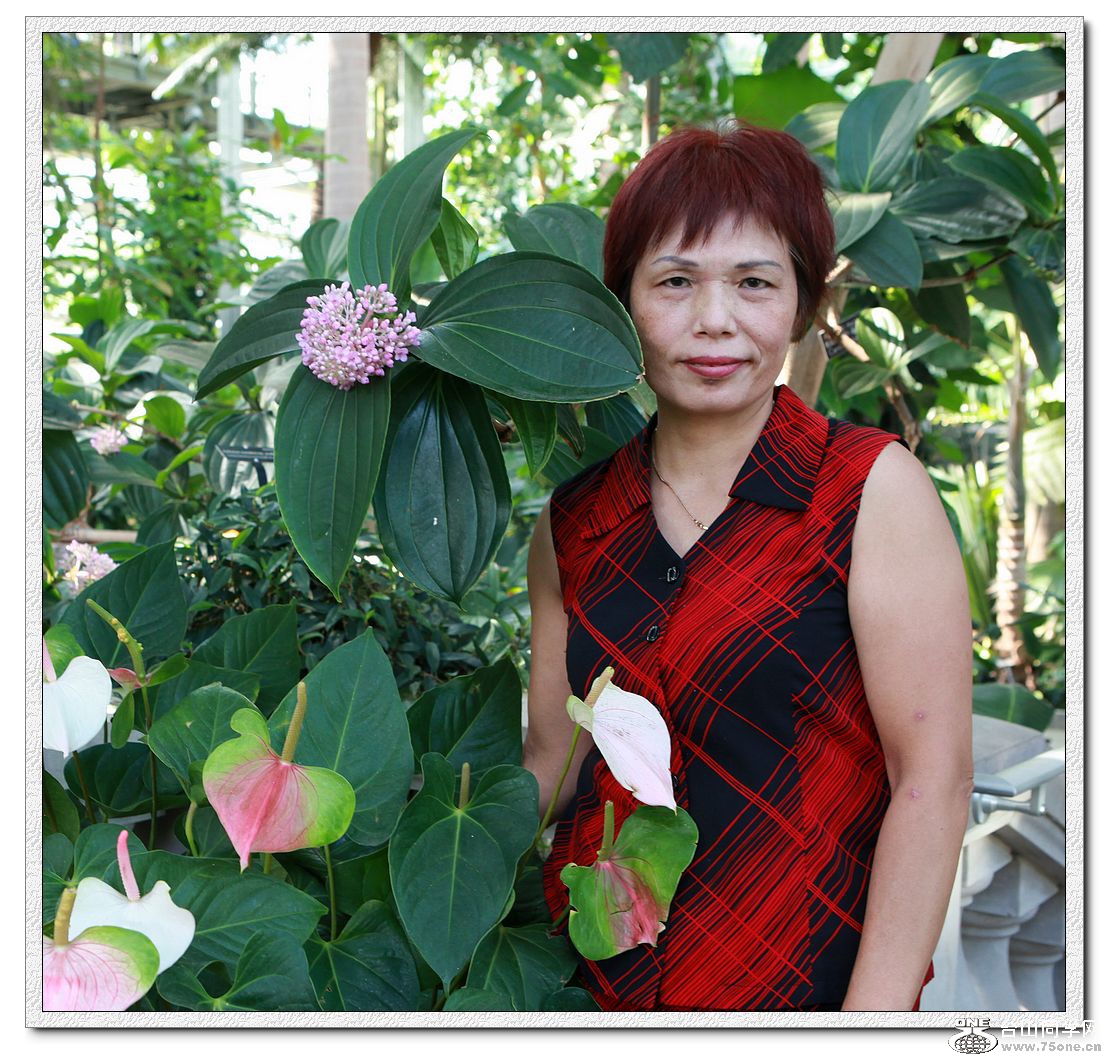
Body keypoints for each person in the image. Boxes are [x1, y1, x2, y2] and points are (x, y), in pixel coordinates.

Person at [522, 121, 974, 1012]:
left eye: (754, 282)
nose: (714, 320)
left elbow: (931, 780)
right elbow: (551, 763)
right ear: (624, 303)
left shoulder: (867, 490)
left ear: (801, 303)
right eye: (675, 281)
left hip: (802, 989)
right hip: (596, 991)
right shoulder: (573, 521)